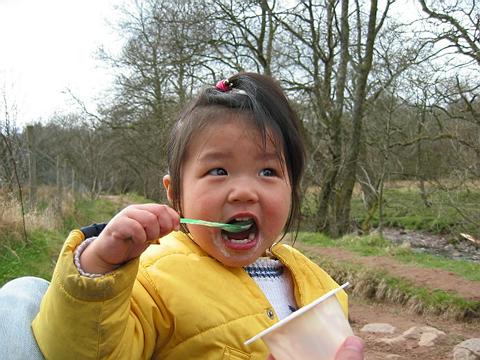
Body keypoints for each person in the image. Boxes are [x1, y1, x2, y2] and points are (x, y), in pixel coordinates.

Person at [24, 72, 363, 359]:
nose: (245, 191)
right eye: (218, 170)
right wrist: (98, 268)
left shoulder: (318, 283)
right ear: (176, 194)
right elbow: (81, 350)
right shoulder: (155, 279)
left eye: (268, 172)